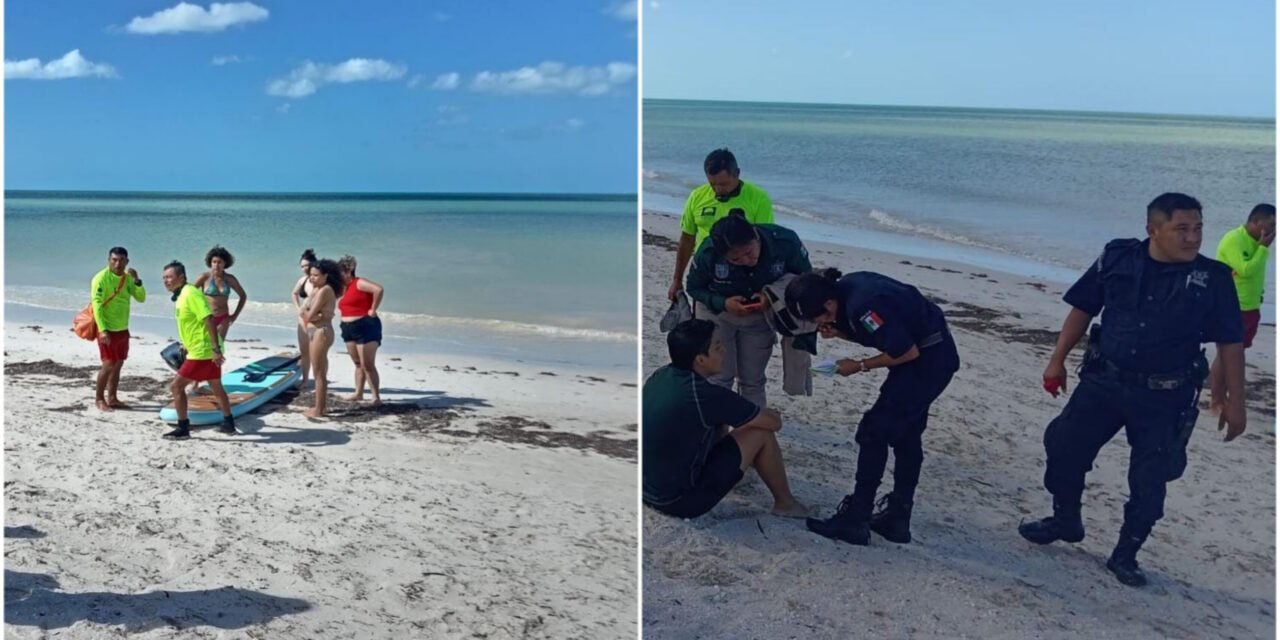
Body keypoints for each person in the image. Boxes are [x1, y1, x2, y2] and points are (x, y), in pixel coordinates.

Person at [1019, 193, 1246, 588]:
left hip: (1165, 396)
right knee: (1062, 446)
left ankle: (1126, 553)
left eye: (1198, 229)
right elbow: (1084, 308)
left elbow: (1230, 343)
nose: (1193, 238)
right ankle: (1065, 519)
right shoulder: (1118, 258)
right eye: (1182, 229)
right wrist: (1056, 359)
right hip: (1104, 382)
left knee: (1149, 479)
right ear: (1152, 230)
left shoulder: (1214, 279)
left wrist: (1232, 402)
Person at [784, 268, 960, 545]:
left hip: (927, 360)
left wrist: (859, 366)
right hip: (929, 353)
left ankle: (857, 518)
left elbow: (905, 351)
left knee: (873, 431)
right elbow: (886, 332)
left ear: (830, 303)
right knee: (906, 435)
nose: (820, 322)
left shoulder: (864, 304)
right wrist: (842, 333)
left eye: (822, 317)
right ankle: (897, 518)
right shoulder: (846, 288)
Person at [642, 319, 809, 519]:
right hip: (679, 502)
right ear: (700, 360)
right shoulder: (704, 395)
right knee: (761, 433)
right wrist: (772, 413)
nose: (724, 351)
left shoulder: (660, 375)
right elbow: (773, 423)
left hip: (647, 491)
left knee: (720, 421)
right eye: (717, 347)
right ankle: (786, 503)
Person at [685, 212, 812, 407]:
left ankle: (752, 429)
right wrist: (722, 303)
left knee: (752, 380)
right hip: (716, 314)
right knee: (719, 377)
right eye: (735, 259)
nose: (746, 260)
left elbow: (806, 278)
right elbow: (693, 287)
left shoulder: (785, 241)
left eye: (749, 252)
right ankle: (716, 428)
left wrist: (771, 295)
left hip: (760, 317)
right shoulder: (708, 252)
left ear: (755, 235)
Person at [668, 148, 774, 303]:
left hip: (744, 271)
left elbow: (765, 242)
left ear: (737, 174)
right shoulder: (696, 197)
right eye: (713, 184)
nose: (718, 190)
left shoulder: (758, 199)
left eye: (724, 184)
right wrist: (677, 280)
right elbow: (687, 239)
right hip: (707, 270)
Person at [1209, 203, 1275, 410]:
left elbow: (1254, 275)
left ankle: (1226, 395)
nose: (1273, 231)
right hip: (1232, 306)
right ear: (1256, 222)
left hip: (1251, 307)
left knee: (1239, 352)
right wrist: (1264, 248)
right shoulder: (1234, 240)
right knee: (1226, 352)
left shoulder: (1257, 243)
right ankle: (1216, 398)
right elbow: (1245, 270)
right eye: (1270, 225)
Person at [161, 260, 235, 440]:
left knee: (176, 386)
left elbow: (208, 318)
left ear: (181, 277)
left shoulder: (190, 293)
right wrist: (186, 343)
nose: (166, 281)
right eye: (164, 278)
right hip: (201, 347)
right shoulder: (182, 294)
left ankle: (183, 428)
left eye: (170, 277)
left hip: (203, 350)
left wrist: (215, 349)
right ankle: (228, 423)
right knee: (216, 386)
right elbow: (193, 323)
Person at [90, 247, 147, 411]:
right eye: (114, 260)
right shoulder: (100, 279)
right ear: (109, 260)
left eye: (121, 260)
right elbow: (97, 306)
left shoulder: (128, 278)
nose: (118, 263)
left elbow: (141, 298)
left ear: (127, 261)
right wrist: (102, 330)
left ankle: (113, 398)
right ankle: (99, 399)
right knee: (108, 364)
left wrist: (137, 281)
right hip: (106, 328)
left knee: (118, 364)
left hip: (123, 328)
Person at [337, 255, 385, 405]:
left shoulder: (359, 282)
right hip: (348, 328)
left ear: (348, 271)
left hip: (365, 325)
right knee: (358, 364)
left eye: (340, 273)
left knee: (367, 365)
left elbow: (378, 289)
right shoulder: (344, 289)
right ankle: (358, 393)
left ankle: (375, 397)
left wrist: (373, 308)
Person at [299, 258, 344, 418]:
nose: (312, 278)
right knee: (319, 369)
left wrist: (312, 315)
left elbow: (308, 315)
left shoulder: (325, 290)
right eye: (311, 275)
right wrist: (311, 315)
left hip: (322, 332)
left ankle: (319, 409)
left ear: (326, 276)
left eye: (316, 275)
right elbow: (304, 312)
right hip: (317, 329)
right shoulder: (315, 290)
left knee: (318, 372)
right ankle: (320, 406)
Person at [192, 245, 248, 343]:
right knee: (203, 346)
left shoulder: (230, 279)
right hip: (207, 317)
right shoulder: (204, 277)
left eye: (219, 262)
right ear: (210, 262)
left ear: (225, 263)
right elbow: (188, 294)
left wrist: (235, 316)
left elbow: (243, 296)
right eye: (214, 262)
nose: (216, 265)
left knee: (219, 347)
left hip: (223, 318)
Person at [291, 249, 318, 389]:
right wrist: (297, 308)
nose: (304, 269)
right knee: (304, 351)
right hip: (303, 318)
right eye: (302, 266)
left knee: (317, 353)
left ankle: (320, 379)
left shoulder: (321, 280)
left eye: (307, 265)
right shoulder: (303, 280)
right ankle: (305, 380)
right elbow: (294, 293)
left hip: (317, 320)